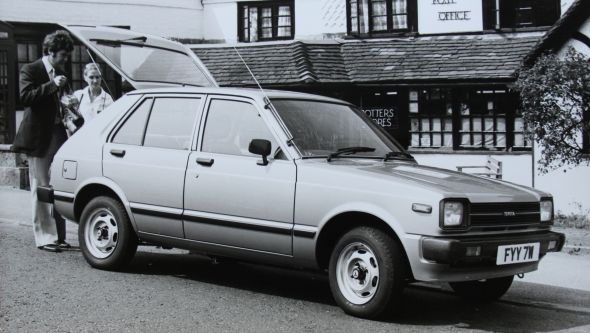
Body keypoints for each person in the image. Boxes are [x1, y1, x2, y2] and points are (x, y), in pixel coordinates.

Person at [12, 30, 74, 252]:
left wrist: (70, 102)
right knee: (40, 186)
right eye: (63, 56)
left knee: (57, 185)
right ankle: (45, 237)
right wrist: (52, 85)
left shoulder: (61, 73)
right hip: (38, 136)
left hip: (58, 133)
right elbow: (26, 96)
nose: (65, 60)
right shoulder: (31, 69)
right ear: (50, 52)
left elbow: (61, 102)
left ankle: (60, 236)